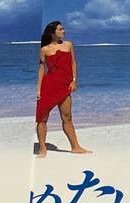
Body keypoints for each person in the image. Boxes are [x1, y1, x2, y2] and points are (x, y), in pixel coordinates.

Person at [35, 21, 90, 158]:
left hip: (65, 86)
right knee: (42, 118)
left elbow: (73, 63)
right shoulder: (44, 50)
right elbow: (41, 70)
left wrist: (74, 80)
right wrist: (38, 90)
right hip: (49, 86)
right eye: (60, 29)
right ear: (53, 32)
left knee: (67, 117)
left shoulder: (68, 45)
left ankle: (75, 147)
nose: (63, 31)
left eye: (63, 28)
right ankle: (42, 149)